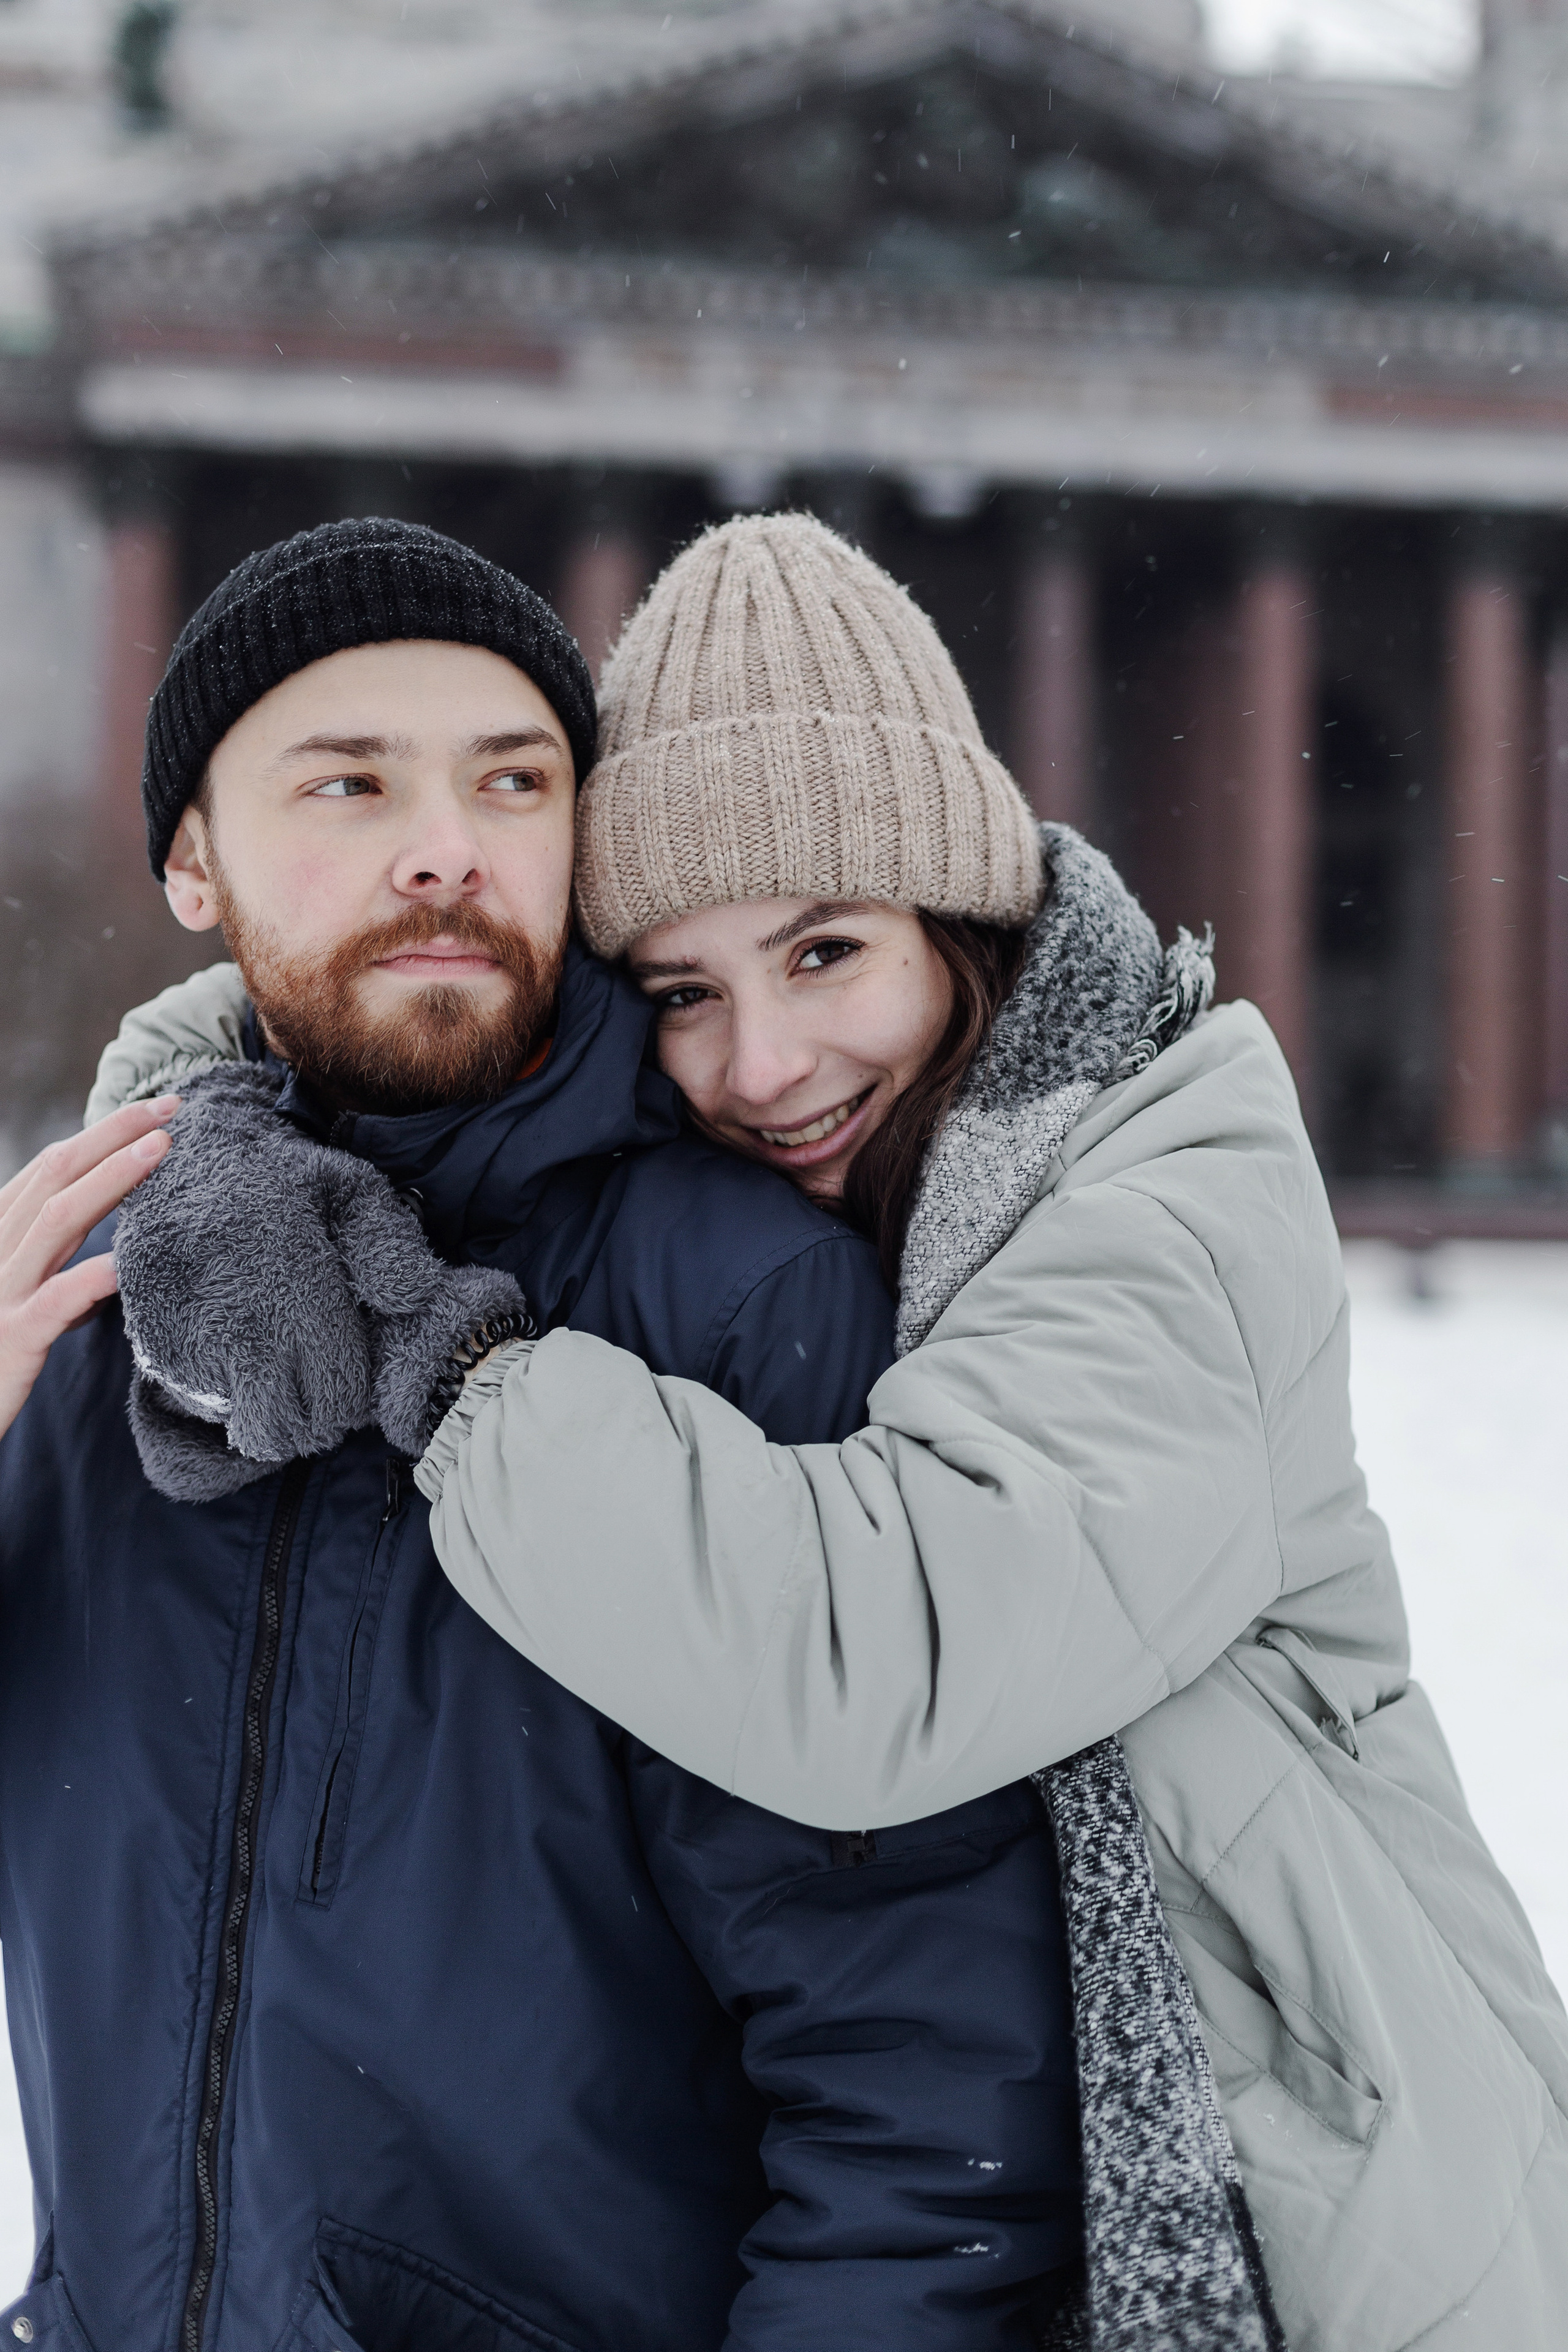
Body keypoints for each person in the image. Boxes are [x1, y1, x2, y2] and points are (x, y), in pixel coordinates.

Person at [97, 512, 1568, 2351]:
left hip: (1335, 2207)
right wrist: (210, 1121)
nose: (761, 1065)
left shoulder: (1156, 1194)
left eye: (825, 952)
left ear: (962, 926)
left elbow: (894, 1651)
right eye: (684, 996)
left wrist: (442, 1356)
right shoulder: (773, 1237)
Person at [0, 518, 1089, 2351]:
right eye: (349, 782)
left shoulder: (738, 1300)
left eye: (514, 781)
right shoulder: (92, 1298)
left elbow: (922, 2087)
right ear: (194, 860)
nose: (446, 847)